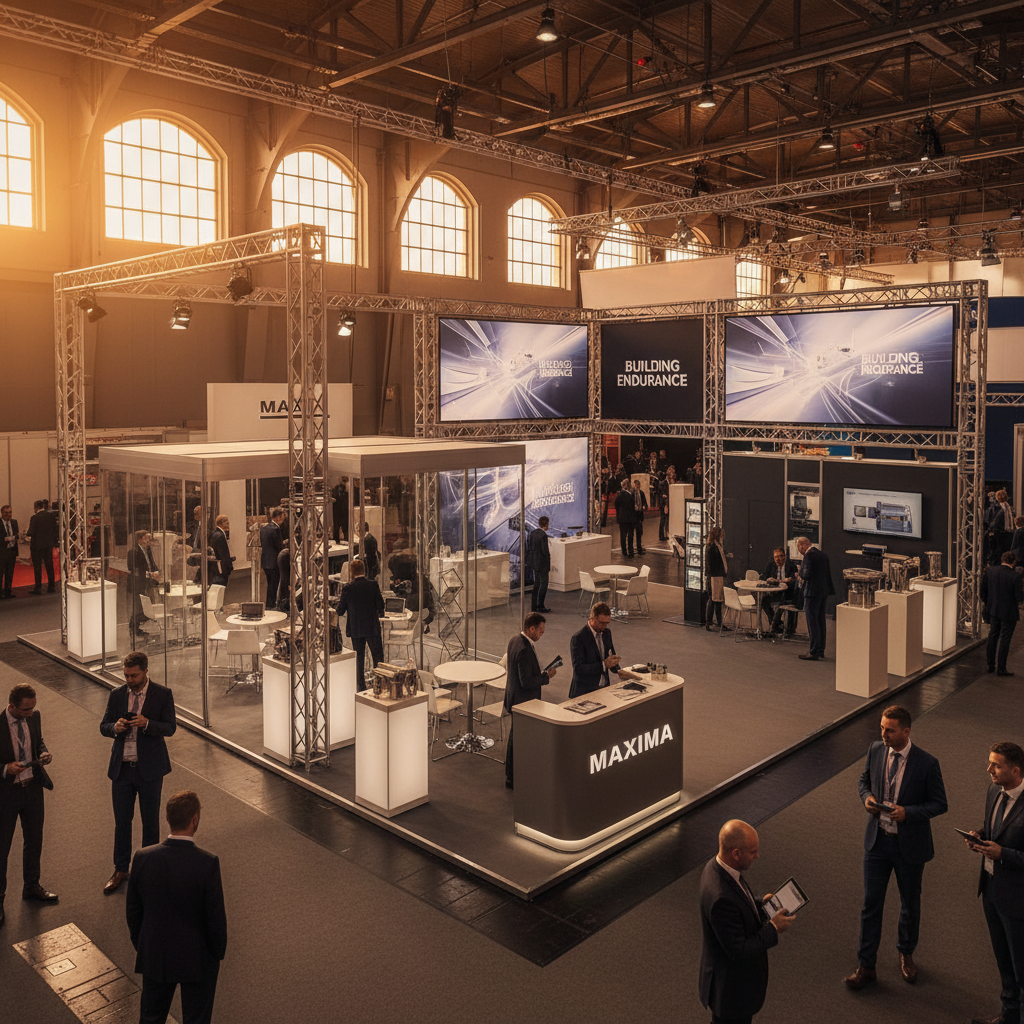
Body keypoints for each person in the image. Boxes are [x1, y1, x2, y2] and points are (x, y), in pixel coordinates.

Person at [844, 705, 948, 990]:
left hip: (909, 848)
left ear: (906, 731)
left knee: (909, 904)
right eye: (881, 728)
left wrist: (908, 813)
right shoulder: (876, 750)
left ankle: (906, 953)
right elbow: (864, 781)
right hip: (877, 843)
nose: (883, 734)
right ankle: (866, 965)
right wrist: (866, 798)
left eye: (889, 730)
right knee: (870, 905)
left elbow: (940, 803)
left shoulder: (927, 763)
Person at [126, 789, 227, 1024]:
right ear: (194, 820)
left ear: (167, 818)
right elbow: (215, 919)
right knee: (196, 1018)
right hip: (197, 957)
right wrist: (217, 953)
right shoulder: (207, 863)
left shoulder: (142, 857)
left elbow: (133, 911)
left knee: (151, 1017)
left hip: (155, 953)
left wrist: (144, 944)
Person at [698, 819, 795, 1024]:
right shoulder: (720, 898)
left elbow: (738, 902)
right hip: (732, 994)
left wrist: (760, 904)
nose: (757, 856)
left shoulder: (716, 867)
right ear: (736, 854)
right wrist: (774, 928)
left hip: (728, 986)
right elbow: (739, 950)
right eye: (752, 852)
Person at [99, 651, 177, 895]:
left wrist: (147, 724)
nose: (129, 680)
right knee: (122, 822)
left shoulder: (162, 694)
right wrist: (116, 727)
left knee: (150, 822)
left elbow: (171, 727)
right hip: (122, 769)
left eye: (133, 675)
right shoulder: (117, 694)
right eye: (126, 675)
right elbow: (104, 726)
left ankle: (148, 871)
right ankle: (121, 869)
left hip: (150, 770)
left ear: (145, 671)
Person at [965, 741, 1024, 1024]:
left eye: (995, 765)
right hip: (990, 890)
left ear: (1016, 770)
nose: (989, 770)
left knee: (1021, 967)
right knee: (1003, 962)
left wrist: (1004, 854)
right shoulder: (994, 791)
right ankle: (1009, 1016)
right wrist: (978, 833)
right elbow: (994, 828)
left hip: (1017, 900)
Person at [0, 682, 57, 929]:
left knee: (34, 840)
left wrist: (44, 753)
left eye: (33, 708)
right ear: (12, 706)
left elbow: (39, 741)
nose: (30, 713)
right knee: (2, 847)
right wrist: (5, 769)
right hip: (7, 794)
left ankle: (32, 886)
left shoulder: (35, 717)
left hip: (32, 788)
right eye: (25, 710)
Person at [503, 612, 557, 790]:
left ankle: (512, 774)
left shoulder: (514, 640)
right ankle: (512, 776)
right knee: (517, 739)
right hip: (523, 701)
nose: (542, 634)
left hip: (514, 697)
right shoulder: (525, 649)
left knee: (516, 737)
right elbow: (526, 682)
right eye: (540, 631)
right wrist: (545, 676)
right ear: (531, 628)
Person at [337, 558, 384, 690]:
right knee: (378, 657)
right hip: (372, 627)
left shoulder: (348, 588)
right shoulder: (373, 585)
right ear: (364, 570)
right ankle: (380, 684)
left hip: (356, 629)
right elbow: (380, 606)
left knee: (359, 659)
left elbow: (340, 611)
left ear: (352, 572)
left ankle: (361, 687)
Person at [981, 551, 1023, 676]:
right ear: (1014, 561)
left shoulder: (990, 572)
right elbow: (1019, 598)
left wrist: (989, 603)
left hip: (993, 609)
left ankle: (990, 665)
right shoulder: (1015, 576)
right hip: (1009, 613)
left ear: (1002, 559)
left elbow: (983, 591)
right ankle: (1001, 667)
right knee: (1005, 639)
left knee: (993, 636)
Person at [568, 603, 621, 698]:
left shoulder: (607, 633)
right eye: (602, 623)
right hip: (584, 692)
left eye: (607, 623)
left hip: (603, 688)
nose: (605, 626)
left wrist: (618, 669)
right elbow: (578, 669)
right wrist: (604, 665)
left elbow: (610, 656)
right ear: (592, 619)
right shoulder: (578, 638)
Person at [796, 536, 833, 661]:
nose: (799, 551)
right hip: (823, 592)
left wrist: (799, 573)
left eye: (799, 548)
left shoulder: (809, 556)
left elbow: (806, 575)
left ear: (802, 545)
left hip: (811, 593)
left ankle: (813, 651)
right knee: (820, 621)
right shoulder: (823, 555)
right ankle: (821, 649)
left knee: (812, 622)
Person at [127, 531, 160, 638]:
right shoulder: (133, 552)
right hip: (138, 583)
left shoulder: (148, 551)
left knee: (146, 605)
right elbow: (134, 569)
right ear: (139, 540)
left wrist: (158, 572)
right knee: (139, 606)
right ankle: (134, 628)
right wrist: (150, 574)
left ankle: (136, 626)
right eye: (146, 538)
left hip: (148, 582)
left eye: (149, 538)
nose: (149, 541)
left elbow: (152, 564)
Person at [762, 547, 799, 635]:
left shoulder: (791, 565)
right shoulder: (771, 564)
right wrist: (768, 579)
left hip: (788, 592)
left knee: (782, 602)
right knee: (764, 601)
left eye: (780, 556)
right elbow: (763, 576)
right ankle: (776, 623)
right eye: (776, 557)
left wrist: (785, 581)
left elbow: (794, 580)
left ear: (785, 556)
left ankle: (778, 627)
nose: (778, 559)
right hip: (775, 591)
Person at [27, 499, 58, 594]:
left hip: (37, 546)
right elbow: (55, 529)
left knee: (37, 567)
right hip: (48, 545)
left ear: (36, 507)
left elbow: (31, 532)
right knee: (49, 566)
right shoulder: (51, 516)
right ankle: (51, 586)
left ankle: (38, 588)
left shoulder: (34, 518)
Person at [260, 507, 286, 609]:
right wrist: (284, 543)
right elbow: (278, 546)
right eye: (282, 518)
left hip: (265, 561)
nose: (283, 520)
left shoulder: (264, 529)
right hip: (274, 562)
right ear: (278, 517)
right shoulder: (276, 530)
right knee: (274, 585)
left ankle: (269, 604)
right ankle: (272, 605)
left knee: (269, 584)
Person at [705, 526, 729, 632]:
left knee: (717, 599)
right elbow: (710, 564)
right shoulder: (712, 547)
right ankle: (709, 622)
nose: (723, 537)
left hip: (717, 576)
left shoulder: (717, 545)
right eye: (722, 534)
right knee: (713, 599)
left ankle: (718, 622)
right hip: (714, 576)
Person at [527, 516, 552, 613]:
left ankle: (534, 606)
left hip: (534, 563)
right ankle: (540, 605)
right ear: (546, 525)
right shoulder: (543, 536)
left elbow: (529, 546)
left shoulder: (533, 533)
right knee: (544, 584)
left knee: (536, 584)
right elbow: (545, 551)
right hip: (542, 564)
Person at [986, 490, 1015, 566]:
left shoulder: (995, 507)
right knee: (1004, 551)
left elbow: (989, 519)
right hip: (1007, 533)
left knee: (996, 553)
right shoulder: (1009, 507)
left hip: (998, 533)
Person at [0, 505, 18, 599]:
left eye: (10, 512)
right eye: (6, 512)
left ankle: (8, 591)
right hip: (1, 552)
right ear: (2, 513)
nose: (8, 514)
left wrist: (14, 538)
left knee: (9, 573)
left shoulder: (14, 522)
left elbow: (17, 534)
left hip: (12, 552)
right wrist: (6, 539)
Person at [210, 515, 233, 586]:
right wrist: (228, 568)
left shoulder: (215, 534)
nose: (228, 522)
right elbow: (223, 554)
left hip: (217, 568)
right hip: (221, 569)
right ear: (221, 523)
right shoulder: (220, 536)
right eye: (226, 521)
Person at [614, 483, 635, 557]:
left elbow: (616, 505)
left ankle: (624, 551)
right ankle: (630, 550)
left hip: (622, 518)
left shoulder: (620, 495)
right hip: (629, 518)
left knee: (623, 535)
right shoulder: (627, 494)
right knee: (629, 535)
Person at [630, 478, 648, 556]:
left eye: (638, 485)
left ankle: (639, 547)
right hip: (633, 516)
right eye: (636, 485)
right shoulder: (631, 494)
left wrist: (644, 506)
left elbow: (645, 502)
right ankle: (631, 549)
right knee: (631, 533)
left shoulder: (641, 493)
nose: (637, 486)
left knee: (639, 533)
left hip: (640, 515)